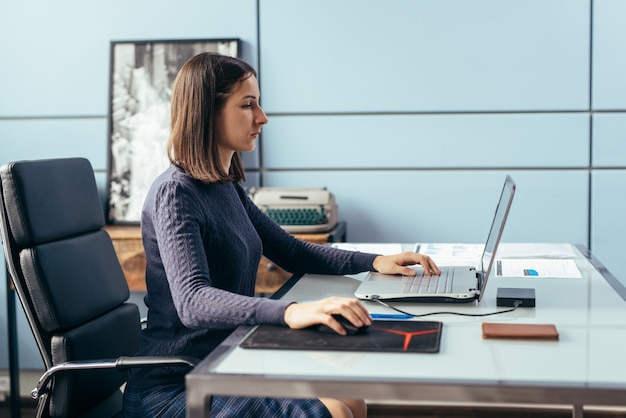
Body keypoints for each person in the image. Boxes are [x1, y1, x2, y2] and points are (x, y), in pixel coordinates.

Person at [122, 52, 440, 418]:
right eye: (248, 105)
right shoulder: (175, 194)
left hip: (223, 362)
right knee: (335, 409)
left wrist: (375, 262)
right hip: (175, 386)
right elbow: (193, 302)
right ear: (208, 112)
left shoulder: (228, 189)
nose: (262, 117)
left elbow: (293, 252)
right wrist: (290, 312)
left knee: (351, 400)